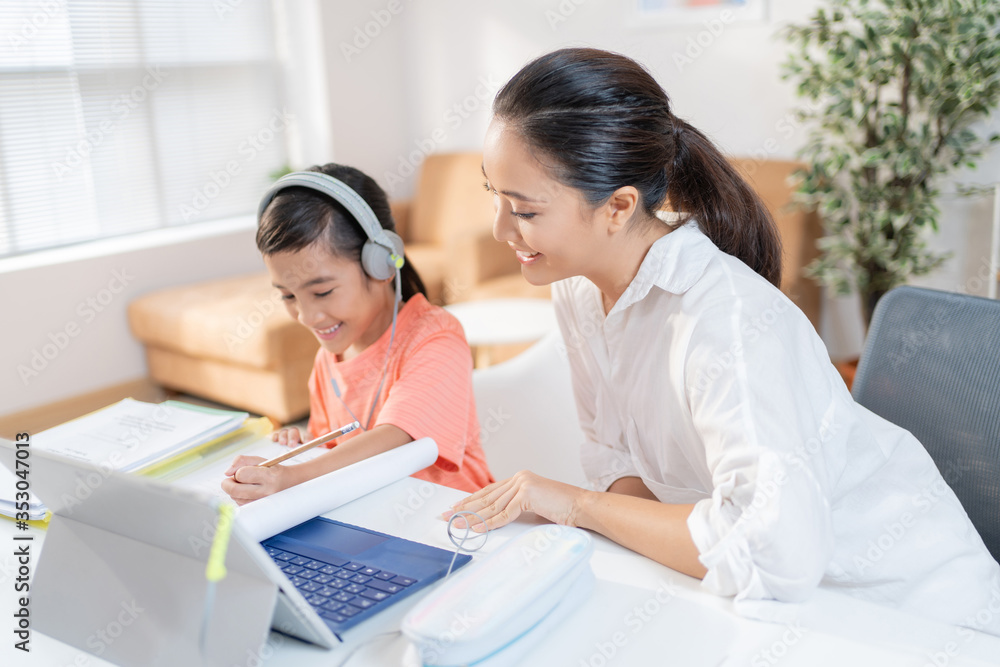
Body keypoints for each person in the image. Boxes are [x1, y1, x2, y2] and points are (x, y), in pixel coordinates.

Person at [448, 47, 1000, 633]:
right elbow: (618, 459)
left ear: (618, 206)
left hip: (911, 613)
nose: (500, 229)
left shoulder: (725, 318)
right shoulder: (581, 290)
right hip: (770, 603)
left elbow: (775, 552)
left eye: (525, 210)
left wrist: (577, 506)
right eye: (495, 196)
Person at [223, 164, 494, 503]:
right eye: (288, 296)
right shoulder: (329, 358)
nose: (307, 316)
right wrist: (305, 446)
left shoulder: (436, 338)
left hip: (452, 520)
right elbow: (336, 446)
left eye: (322, 292)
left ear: (380, 263)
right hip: (368, 516)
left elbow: (399, 436)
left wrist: (291, 476)